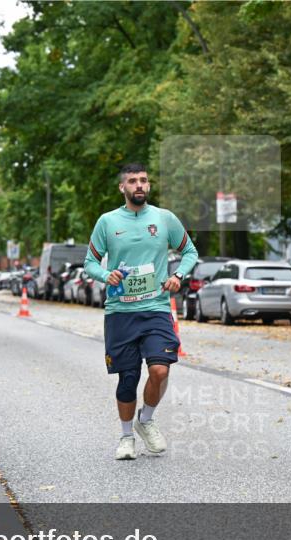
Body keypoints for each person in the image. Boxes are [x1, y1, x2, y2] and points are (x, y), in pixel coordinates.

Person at [83, 163, 198, 460]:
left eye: (143, 180)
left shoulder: (164, 218)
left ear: (148, 186)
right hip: (120, 311)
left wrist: (178, 275)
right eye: (133, 181)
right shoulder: (107, 222)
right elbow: (90, 263)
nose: (139, 185)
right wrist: (105, 274)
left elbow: (190, 251)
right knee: (128, 378)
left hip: (156, 307)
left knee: (160, 369)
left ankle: (145, 419)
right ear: (122, 187)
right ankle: (126, 437)